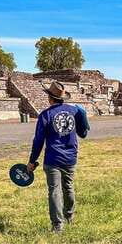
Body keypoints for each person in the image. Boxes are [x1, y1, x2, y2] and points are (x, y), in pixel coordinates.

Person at [26, 81, 90, 233]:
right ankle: (69, 216)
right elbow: (83, 133)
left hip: (53, 158)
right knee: (68, 186)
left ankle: (57, 225)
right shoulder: (74, 112)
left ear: (50, 98)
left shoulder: (45, 115)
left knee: (54, 190)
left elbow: (38, 141)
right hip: (70, 157)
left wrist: (32, 161)